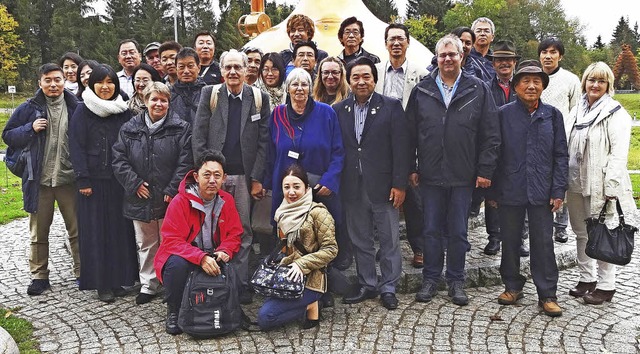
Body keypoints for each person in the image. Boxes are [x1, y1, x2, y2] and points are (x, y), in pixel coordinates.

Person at [407, 34, 500, 306]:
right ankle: (430, 278)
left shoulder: (478, 89)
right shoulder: (422, 90)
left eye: (453, 54)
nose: (447, 59)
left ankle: (456, 280)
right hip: (430, 174)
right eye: (443, 55)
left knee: (458, 231)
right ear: (436, 58)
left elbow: (490, 134)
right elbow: (409, 134)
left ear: (462, 56)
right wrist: (411, 167)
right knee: (431, 229)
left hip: (464, 175)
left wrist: (485, 170)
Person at [192, 49, 271, 305]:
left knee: (243, 231)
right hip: (215, 176)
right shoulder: (210, 94)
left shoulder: (259, 98)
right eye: (229, 68)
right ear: (222, 70)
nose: (233, 72)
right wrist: (204, 174)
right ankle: (214, 280)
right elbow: (199, 135)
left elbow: (263, 142)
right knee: (211, 229)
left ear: (247, 69)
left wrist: (257, 178)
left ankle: (240, 283)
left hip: (243, 177)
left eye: (238, 67)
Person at [490, 60, 567, 317]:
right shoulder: (503, 114)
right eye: (526, 81)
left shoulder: (552, 116)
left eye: (537, 81)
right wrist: (492, 192)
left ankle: (547, 294)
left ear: (543, 87)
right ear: (515, 86)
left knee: (543, 243)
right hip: (510, 188)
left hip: (542, 190)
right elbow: (495, 154)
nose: (532, 86)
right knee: (510, 240)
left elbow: (561, 155)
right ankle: (512, 285)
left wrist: (558, 190)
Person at [336, 57, 409, 310]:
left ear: (374, 79)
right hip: (353, 187)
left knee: (389, 240)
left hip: (384, 187)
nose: (361, 81)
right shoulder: (339, 111)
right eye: (355, 77)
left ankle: (388, 287)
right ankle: (368, 283)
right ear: (349, 80)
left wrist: (400, 184)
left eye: (366, 76)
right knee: (361, 240)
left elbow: (402, 149)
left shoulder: (391, 107)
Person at [2, 63, 81, 295]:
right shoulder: (29, 108)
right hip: (39, 181)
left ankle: (82, 272)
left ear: (64, 80)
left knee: (77, 231)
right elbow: (7, 135)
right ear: (40, 83)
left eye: (57, 79)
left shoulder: (76, 107)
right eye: (48, 80)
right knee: (38, 232)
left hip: (68, 180)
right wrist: (30, 128)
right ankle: (39, 276)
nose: (53, 84)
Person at [113, 82, 193, 305]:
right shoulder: (130, 128)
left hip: (170, 197)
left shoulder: (181, 127)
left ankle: (171, 282)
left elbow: (185, 161)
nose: (159, 104)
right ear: (145, 101)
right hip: (140, 196)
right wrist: (134, 183)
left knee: (171, 241)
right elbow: (119, 160)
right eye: (154, 99)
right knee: (146, 243)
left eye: (163, 100)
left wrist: (172, 189)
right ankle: (149, 284)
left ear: (169, 102)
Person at [565, 62, 635, 305]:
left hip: (601, 185)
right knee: (581, 232)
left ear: (609, 85)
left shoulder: (615, 113)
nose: (595, 85)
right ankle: (587, 279)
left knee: (602, 233)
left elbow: (618, 155)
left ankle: (607, 286)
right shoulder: (576, 111)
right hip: (574, 181)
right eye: (591, 80)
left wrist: (611, 188)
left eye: (601, 81)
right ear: (584, 82)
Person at [69, 64, 138, 303]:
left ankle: (119, 279)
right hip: (93, 183)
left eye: (110, 82)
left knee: (119, 231)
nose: (106, 87)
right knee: (97, 232)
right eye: (101, 82)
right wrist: (83, 179)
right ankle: (102, 283)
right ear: (92, 84)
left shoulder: (123, 110)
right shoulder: (82, 110)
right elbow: (76, 147)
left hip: (119, 181)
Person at [154, 150, 243, 335]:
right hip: (187, 255)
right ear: (196, 176)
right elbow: (171, 240)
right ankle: (174, 309)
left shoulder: (227, 200)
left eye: (217, 175)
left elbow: (235, 234)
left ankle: (225, 307)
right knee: (175, 265)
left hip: (214, 253)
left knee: (232, 263)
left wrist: (225, 250)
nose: (212, 180)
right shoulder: (180, 201)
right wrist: (200, 257)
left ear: (224, 178)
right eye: (207, 175)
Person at [257, 164, 338, 330]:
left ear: (306, 188)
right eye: (286, 187)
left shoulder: (318, 212)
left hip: (311, 280)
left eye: (296, 187)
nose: (291, 192)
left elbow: (331, 250)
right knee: (265, 314)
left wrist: (301, 264)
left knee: (266, 318)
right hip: (288, 277)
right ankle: (306, 305)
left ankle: (311, 305)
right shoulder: (282, 212)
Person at [375, 23, 428, 268]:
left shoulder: (421, 74)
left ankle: (419, 247)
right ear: (385, 43)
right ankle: (385, 247)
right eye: (391, 39)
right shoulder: (374, 72)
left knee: (413, 199)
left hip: (410, 142)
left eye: (400, 39)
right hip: (380, 143)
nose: (396, 43)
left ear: (408, 43)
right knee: (380, 197)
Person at [477, 40, 524, 256]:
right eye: (499, 60)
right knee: (492, 195)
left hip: (519, 148)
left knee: (519, 194)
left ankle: (519, 239)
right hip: (493, 148)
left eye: (508, 59)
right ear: (493, 63)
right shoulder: (484, 86)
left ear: (514, 62)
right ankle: (494, 237)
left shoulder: (523, 86)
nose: (504, 63)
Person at [538, 37, 582, 243]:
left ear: (560, 56)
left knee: (560, 180)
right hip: (537, 138)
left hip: (563, 139)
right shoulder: (532, 77)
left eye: (553, 52)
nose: (548, 56)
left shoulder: (571, 80)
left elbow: (576, 109)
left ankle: (561, 226)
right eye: (544, 52)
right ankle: (532, 225)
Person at [170, 47, 206, 124]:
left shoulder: (208, 93)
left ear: (199, 68)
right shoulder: (169, 95)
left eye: (190, 66)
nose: (186, 71)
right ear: (176, 69)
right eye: (181, 67)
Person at [468, 17, 496, 82]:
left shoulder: (496, 60)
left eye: (486, 31)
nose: (482, 34)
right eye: (478, 31)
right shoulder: (465, 58)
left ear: (492, 37)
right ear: (471, 36)